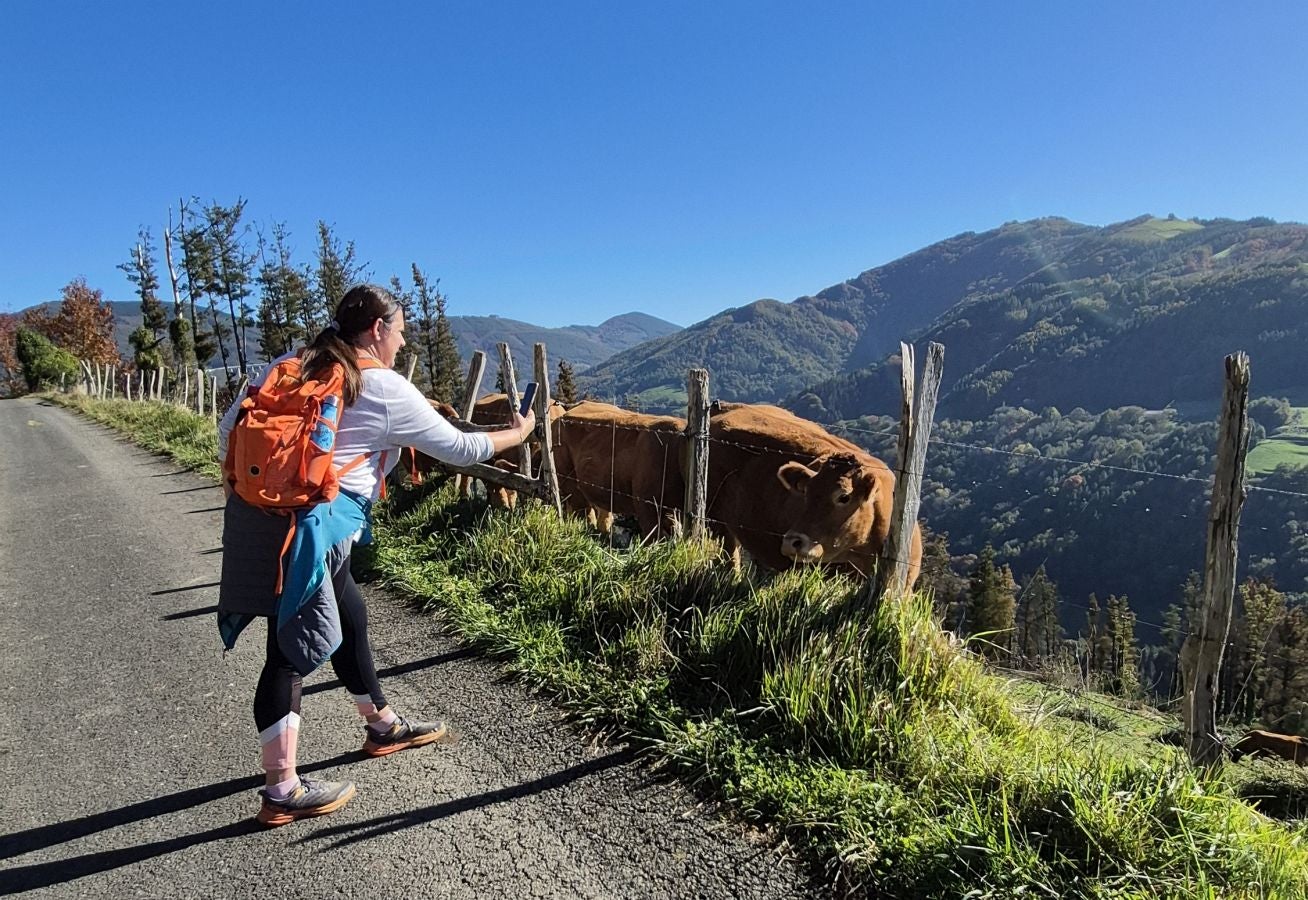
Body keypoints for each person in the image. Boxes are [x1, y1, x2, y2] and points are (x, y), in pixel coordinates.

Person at [217, 283, 536, 827]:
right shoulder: (381, 385)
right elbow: (461, 448)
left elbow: (229, 428)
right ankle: (281, 790)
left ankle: (382, 724)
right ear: (376, 330)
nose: (404, 341)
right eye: (401, 330)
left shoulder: (292, 363)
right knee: (290, 650)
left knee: (349, 615)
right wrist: (519, 432)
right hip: (320, 525)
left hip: (261, 517)